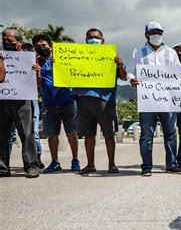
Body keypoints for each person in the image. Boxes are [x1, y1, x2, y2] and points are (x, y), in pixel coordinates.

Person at [127, 21, 181, 176]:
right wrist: (132, 79)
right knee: (146, 135)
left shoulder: (171, 53)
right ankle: (146, 167)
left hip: (168, 99)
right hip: (147, 100)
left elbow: (179, 73)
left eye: (158, 32)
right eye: (152, 33)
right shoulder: (138, 51)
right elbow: (131, 70)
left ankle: (171, 165)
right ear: (146, 35)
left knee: (171, 133)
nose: (156, 35)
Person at [71, 28, 127, 174]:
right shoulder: (77, 56)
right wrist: (57, 63)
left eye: (96, 37)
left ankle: (112, 164)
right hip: (83, 101)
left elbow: (123, 77)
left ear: (103, 40)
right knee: (89, 135)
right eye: (90, 37)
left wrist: (120, 64)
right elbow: (66, 72)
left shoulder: (112, 56)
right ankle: (90, 165)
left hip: (105, 102)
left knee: (109, 134)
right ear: (86, 40)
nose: (93, 39)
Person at [32, 34, 80, 173]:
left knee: (72, 133)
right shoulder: (36, 63)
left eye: (44, 45)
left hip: (68, 101)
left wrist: (60, 64)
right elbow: (37, 85)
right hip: (49, 103)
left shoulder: (63, 59)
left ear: (50, 46)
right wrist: (38, 74)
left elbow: (75, 75)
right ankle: (55, 162)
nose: (41, 48)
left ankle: (75, 160)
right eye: (38, 47)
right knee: (52, 134)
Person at [0, 29, 39, 178]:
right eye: (4, 40)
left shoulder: (27, 58)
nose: (6, 43)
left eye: (10, 41)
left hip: (22, 100)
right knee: (1, 135)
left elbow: (36, 82)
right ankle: (3, 168)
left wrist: (36, 71)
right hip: (2, 101)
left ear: (19, 42)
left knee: (26, 133)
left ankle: (31, 166)